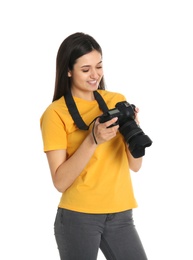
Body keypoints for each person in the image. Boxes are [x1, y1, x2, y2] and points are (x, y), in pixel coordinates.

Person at [40, 32, 148, 260]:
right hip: (78, 216)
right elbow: (60, 182)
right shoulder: (55, 114)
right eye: (86, 69)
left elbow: (135, 166)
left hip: (120, 213)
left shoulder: (115, 100)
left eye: (99, 66)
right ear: (68, 71)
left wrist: (134, 131)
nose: (95, 75)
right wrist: (92, 140)